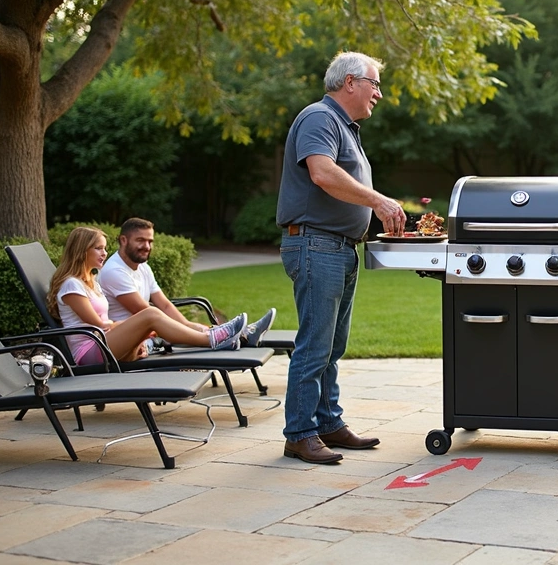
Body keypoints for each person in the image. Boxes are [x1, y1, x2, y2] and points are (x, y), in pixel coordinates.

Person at [275, 51, 407, 465]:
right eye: (375, 84)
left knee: (333, 346)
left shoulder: (343, 126)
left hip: (337, 247)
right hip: (316, 245)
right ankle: (299, 433)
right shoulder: (319, 117)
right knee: (315, 345)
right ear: (350, 82)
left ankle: (328, 422)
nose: (379, 94)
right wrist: (379, 201)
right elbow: (322, 172)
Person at [48, 227, 246, 365]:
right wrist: (139, 328)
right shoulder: (71, 285)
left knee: (150, 318)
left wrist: (139, 337)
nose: (104, 253)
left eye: (105, 248)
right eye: (98, 248)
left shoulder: (91, 281)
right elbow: (100, 326)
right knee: (150, 314)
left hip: (107, 344)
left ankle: (216, 334)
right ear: (82, 251)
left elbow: (107, 324)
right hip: (89, 352)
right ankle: (214, 338)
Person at [98, 217, 277, 349]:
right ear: (123, 240)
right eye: (140, 241)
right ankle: (226, 336)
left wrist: (190, 325)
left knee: (188, 326)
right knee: (164, 320)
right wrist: (191, 327)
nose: (147, 246)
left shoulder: (142, 267)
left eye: (150, 241)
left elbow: (165, 306)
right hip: (136, 340)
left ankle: (242, 334)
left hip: (153, 332)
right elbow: (144, 312)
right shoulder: (115, 271)